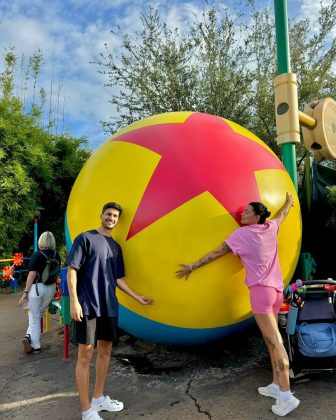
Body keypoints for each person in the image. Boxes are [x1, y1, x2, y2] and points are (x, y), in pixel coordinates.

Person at [176, 193, 300, 417]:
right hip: (276, 291)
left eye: (246, 212)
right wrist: (289, 203)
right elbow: (282, 215)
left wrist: (193, 266)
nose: (241, 214)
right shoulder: (271, 227)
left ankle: (286, 395)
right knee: (270, 341)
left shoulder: (241, 234)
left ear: (256, 216)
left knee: (275, 341)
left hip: (261, 292)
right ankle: (275, 384)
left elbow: (217, 252)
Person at [66, 202, 153, 420]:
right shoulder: (85, 238)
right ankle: (87, 411)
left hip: (109, 306)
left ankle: (98, 398)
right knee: (85, 355)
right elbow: (72, 271)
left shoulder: (116, 247)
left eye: (115, 216)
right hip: (87, 305)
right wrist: (74, 302)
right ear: (102, 215)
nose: (112, 218)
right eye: (109, 214)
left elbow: (118, 278)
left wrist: (136, 296)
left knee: (105, 351)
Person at [19, 231, 61, 354]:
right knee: (37, 315)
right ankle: (28, 337)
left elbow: (32, 274)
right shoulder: (56, 255)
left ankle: (36, 346)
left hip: (37, 288)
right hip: (50, 288)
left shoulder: (37, 255)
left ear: (41, 241)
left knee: (34, 317)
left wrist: (25, 292)